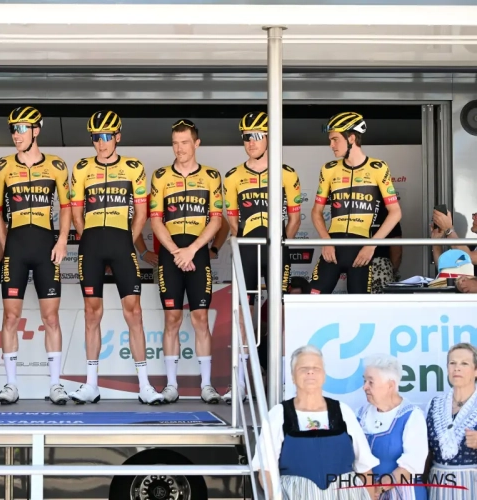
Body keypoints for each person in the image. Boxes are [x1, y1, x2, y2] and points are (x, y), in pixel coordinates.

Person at [68, 110, 164, 405]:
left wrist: (126, 241)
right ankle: (91, 385)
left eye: (107, 137)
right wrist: (90, 240)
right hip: (92, 245)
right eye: (96, 137)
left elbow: (142, 213)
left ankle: (145, 385)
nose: (101, 143)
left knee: (134, 312)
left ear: (117, 137)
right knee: (91, 313)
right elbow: (76, 214)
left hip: (122, 242)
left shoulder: (134, 167)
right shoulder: (82, 168)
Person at [0, 105, 72, 405]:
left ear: (36, 130)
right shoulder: (2, 166)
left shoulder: (57, 165)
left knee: (51, 317)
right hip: (17, 248)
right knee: (10, 317)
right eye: (13, 129)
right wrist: (6, 242)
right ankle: (11, 384)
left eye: (22, 128)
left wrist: (62, 241)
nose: (16, 135)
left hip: (45, 247)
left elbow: (67, 207)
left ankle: (56, 384)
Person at [221, 111, 302, 404]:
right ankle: (241, 384)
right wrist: (243, 239)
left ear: (269, 137)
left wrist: (281, 243)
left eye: (256, 136)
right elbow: (232, 219)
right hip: (247, 248)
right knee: (243, 314)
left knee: (279, 314)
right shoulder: (233, 176)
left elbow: (295, 217)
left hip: (276, 247)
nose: (250, 142)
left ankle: (281, 383)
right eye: (246, 136)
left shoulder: (286, 173)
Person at [149, 119, 222, 404]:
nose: (179, 149)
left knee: (200, 318)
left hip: (197, 253)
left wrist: (191, 250)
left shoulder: (211, 176)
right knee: (172, 318)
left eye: (185, 143)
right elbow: (156, 220)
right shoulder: (160, 176)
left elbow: (216, 220)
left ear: (196, 144)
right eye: (175, 143)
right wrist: (177, 252)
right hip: (171, 256)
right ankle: (171, 385)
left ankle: (206, 385)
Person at [252, 345, 379, 499]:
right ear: (292, 376)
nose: (310, 372)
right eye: (303, 368)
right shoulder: (279, 415)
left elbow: (364, 466)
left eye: (316, 368)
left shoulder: (343, 412)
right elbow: (265, 470)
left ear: (324, 375)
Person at [310, 111, 402, 294]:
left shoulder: (378, 168)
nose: (331, 145)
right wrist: (326, 240)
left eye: (335, 139)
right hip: (333, 248)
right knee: (312, 299)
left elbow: (395, 212)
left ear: (351, 138)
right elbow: (316, 211)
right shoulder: (328, 169)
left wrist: (372, 245)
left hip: (362, 250)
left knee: (359, 306)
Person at [356, 354, 428, 500]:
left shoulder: (411, 415)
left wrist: (380, 487)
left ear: (390, 385)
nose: (364, 387)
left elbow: (413, 462)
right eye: (364, 381)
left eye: (371, 382)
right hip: (369, 493)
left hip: (404, 494)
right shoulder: (360, 415)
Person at [425, 342, 477, 500]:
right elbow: (426, 452)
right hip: (438, 486)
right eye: (452, 363)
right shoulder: (434, 404)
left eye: (464, 363)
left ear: (475, 371)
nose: (457, 368)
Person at [369, 192, 403, 293]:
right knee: (381, 302)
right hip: (382, 266)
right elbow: (396, 250)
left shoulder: (355, 211)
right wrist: (393, 270)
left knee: (358, 301)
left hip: (357, 264)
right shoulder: (390, 213)